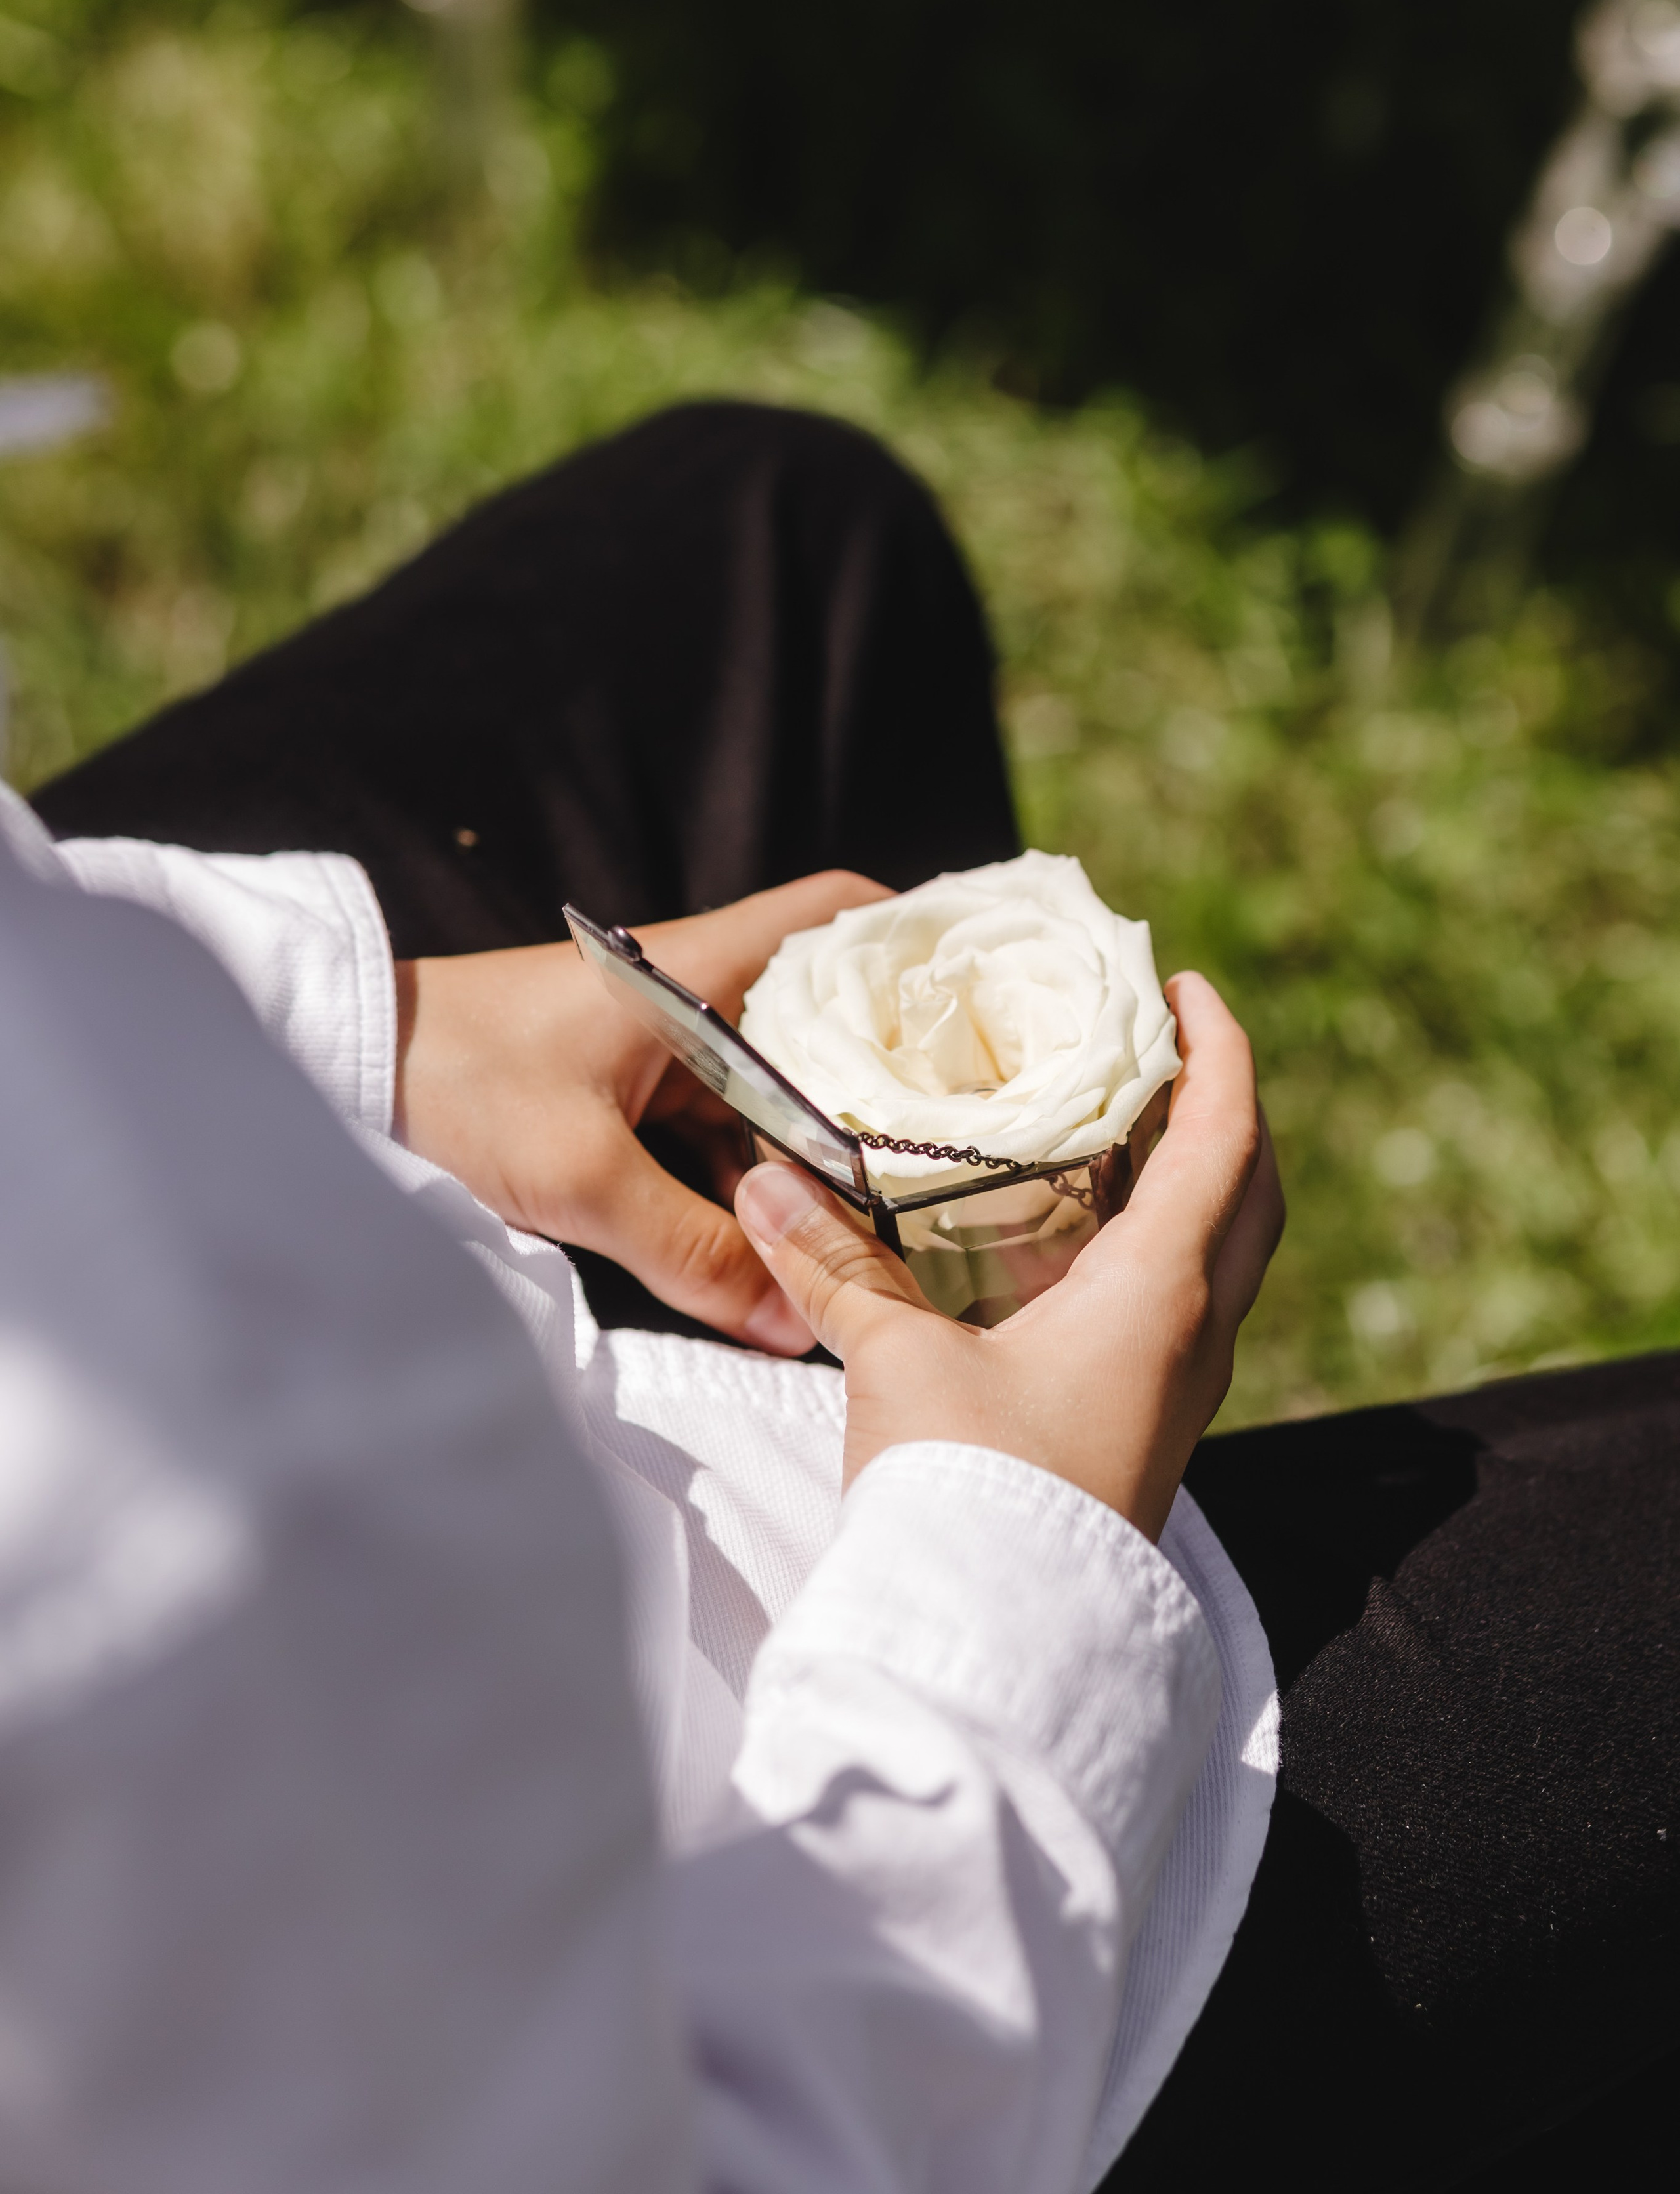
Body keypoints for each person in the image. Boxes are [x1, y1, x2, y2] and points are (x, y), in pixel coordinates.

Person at [6, 402, 1676, 2186]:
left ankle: (1018, 1353)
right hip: (792, 1958)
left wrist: (362, 1028)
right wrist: (1022, 1574)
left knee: (785, 545)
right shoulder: (122, 1605)